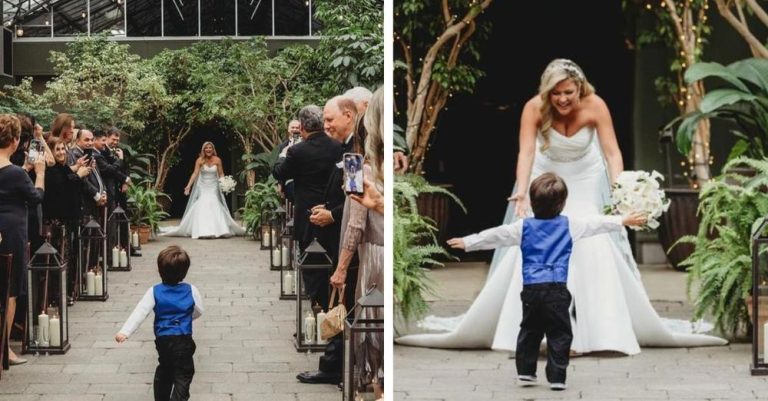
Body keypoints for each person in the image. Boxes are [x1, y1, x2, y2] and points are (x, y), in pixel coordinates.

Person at [396, 58, 728, 354]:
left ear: (580, 88)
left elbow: (612, 152)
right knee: (533, 240)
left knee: (591, 240)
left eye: (568, 92)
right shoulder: (533, 108)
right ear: (547, 92)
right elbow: (526, 152)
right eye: (556, 93)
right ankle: (522, 329)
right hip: (545, 175)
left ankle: (602, 331)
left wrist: (620, 189)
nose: (563, 99)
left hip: (584, 178)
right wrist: (524, 190)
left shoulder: (596, 105)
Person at [448, 173, 647, 390]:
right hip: (557, 289)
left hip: (531, 289)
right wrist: (622, 220)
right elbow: (595, 224)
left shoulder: (522, 227)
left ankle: (525, 372)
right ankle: (557, 376)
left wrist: (468, 242)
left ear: (532, 203)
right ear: (562, 204)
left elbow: (495, 236)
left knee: (529, 330)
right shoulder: (570, 225)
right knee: (560, 332)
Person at [329, 86, 385, 395]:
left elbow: (354, 225)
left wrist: (340, 269)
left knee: (371, 332)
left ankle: (377, 389)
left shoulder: (356, 165)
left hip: (374, 259)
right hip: (380, 251)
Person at [115, 246, 204, 401]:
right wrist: (187, 318)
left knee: (165, 368)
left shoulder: (154, 291)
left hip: (163, 340)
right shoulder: (191, 290)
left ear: (159, 270)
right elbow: (199, 310)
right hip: (183, 339)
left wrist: (125, 331)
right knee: (184, 373)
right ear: (185, 271)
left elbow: (140, 312)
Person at [0, 114, 45, 366]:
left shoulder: (16, 172)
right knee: (10, 290)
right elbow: (35, 197)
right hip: (12, 233)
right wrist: (39, 174)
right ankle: (4, 349)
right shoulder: (16, 173)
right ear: (15, 141)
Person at [163, 142, 245, 239]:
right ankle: (203, 230)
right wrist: (188, 186)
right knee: (203, 202)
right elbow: (195, 173)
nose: (208, 149)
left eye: (210, 147)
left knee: (213, 202)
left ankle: (218, 230)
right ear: (203, 150)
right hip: (203, 186)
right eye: (206, 148)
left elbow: (221, 173)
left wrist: (225, 183)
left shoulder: (217, 160)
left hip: (214, 186)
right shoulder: (199, 160)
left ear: (213, 149)